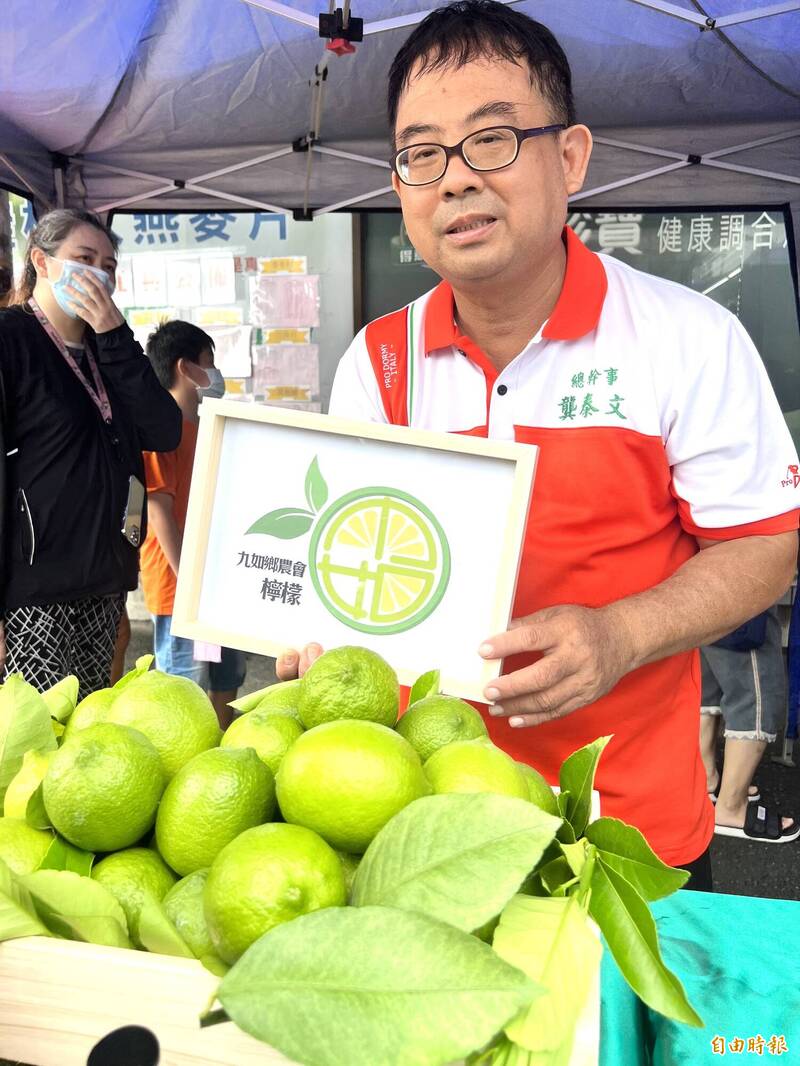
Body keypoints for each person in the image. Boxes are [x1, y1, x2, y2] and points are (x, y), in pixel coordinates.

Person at [277, 0, 799, 889]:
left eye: (492, 139)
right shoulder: (378, 360)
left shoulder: (686, 337)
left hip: (626, 833)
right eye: (421, 154)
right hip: (419, 833)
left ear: (570, 158)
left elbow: (765, 545)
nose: (455, 180)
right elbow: (354, 556)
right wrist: (316, 630)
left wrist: (623, 632)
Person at [0, 209, 181, 696]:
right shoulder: (10, 338)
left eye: (108, 264)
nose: (99, 274)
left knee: (90, 732)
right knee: (36, 739)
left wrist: (115, 336)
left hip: (104, 579)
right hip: (33, 589)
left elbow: (164, 431)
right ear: (41, 260)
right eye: (84, 259)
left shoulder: (112, 349)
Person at [141, 320, 246, 728]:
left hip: (214, 580)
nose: (215, 372)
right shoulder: (162, 431)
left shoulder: (203, 426)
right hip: (178, 586)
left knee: (225, 673)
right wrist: (189, 581)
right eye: (209, 362)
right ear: (185, 368)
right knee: (185, 688)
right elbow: (159, 510)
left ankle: (222, 744)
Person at [700, 605, 798, 842]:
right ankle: (730, 807)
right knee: (756, 694)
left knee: (709, 679)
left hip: (699, 584)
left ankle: (707, 779)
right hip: (737, 587)